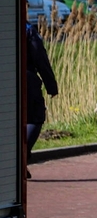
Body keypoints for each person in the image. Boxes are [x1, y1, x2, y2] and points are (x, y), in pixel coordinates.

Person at [26, 17, 59, 168]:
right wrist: (51, 86)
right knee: (35, 117)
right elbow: (40, 59)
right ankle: (21, 157)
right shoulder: (28, 30)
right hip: (26, 80)